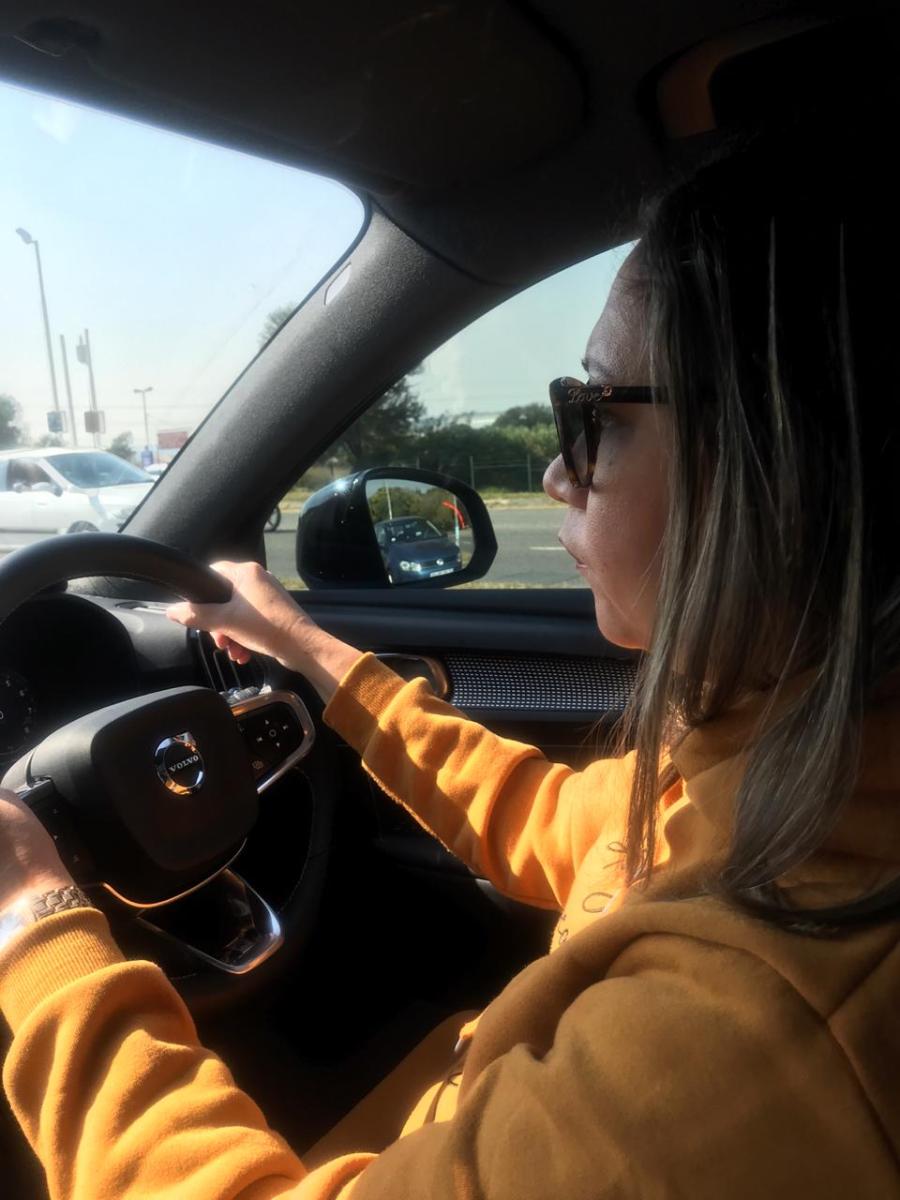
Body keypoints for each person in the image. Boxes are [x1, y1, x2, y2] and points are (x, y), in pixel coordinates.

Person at [3, 109, 900, 1198]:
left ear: (777, 462)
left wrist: (35, 926)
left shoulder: (737, 1042)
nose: (558, 473)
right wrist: (303, 645)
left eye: (594, 413)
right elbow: (563, 828)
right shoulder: (793, 768)